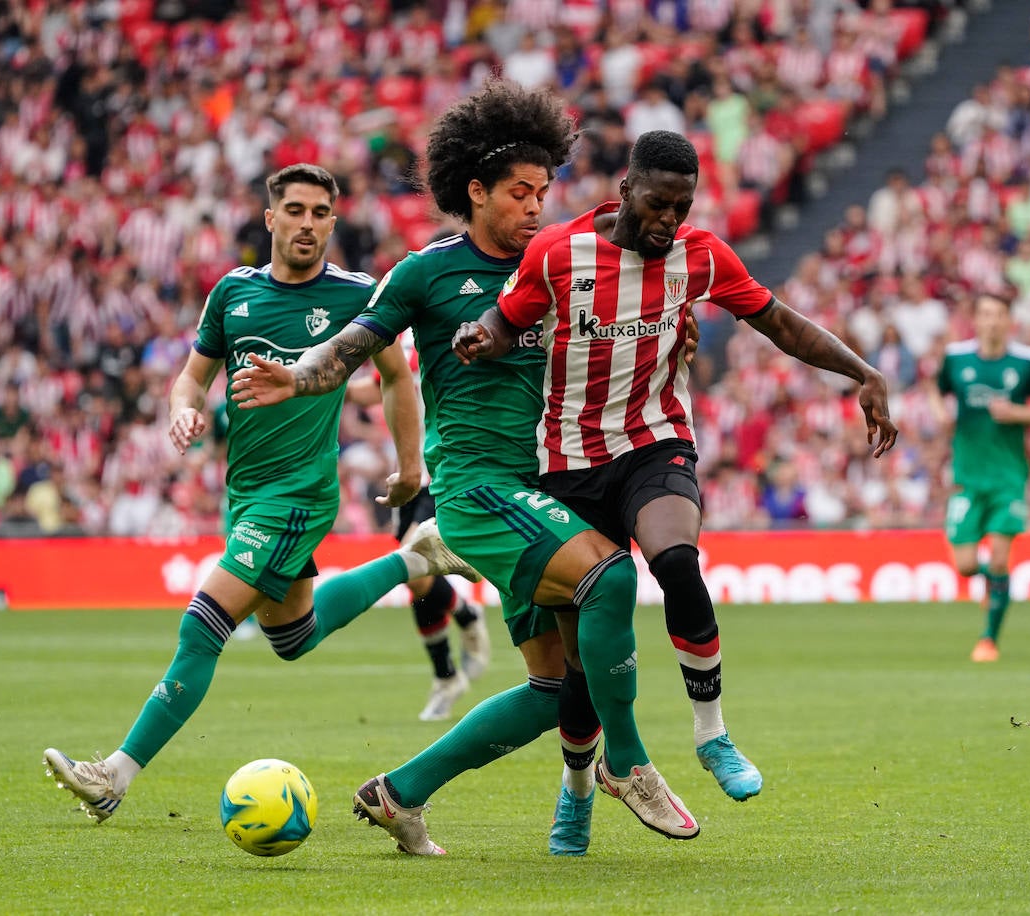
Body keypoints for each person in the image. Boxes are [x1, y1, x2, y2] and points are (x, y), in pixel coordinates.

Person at [229, 82, 697, 857]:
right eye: (520, 192)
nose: (536, 207)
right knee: (611, 578)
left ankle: (400, 792)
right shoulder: (427, 273)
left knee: (556, 687)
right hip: (485, 489)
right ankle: (630, 762)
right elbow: (350, 345)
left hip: (553, 490)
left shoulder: (563, 265)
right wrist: (299, 375)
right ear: (474, 191)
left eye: (544, 192)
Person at [452, 130, 899, 806]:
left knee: (676, 559)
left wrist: (860, 371)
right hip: (569, 461)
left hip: (656, 440)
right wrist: (483, 335)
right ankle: (576, 792)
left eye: (681, 207)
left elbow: (778, 322)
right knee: (583, 670)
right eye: (658, 205)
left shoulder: (700, 254)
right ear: (627, 190)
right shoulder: (559, 251)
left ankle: (712, 733)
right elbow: (508, 318)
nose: (669, 221)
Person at [42, 163, 480, 822]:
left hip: (300, 493)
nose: (307, 224)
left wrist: (411, 467)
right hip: (244, 494)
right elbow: (191, 379)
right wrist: (181, 410)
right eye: (295, 210)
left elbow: (397, 377)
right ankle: (416, 557)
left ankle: (114, 775)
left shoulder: (358, 295)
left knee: (203, 626)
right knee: (292, 635)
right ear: (270, 219)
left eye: (320, 213)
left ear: (333, 222)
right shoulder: (232, 293)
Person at [347, 367, 492, 722]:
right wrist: (330, 381)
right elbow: (375, 388)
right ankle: (449, 667)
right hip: (405, 476)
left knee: (413, 568)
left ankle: (452, 659)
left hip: (439, 471)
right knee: (418, 581)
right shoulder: (399, 339)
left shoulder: (442, 328)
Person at [926, 290, 1030, 662]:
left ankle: (989, 640)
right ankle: (994, 582)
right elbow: (935, 391)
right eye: (984, 314)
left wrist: (1019, 415)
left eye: (998, 314)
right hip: (967, 476)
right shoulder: (956, 358)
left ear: (1008, 321)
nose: (991, 321)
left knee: (1001, 559)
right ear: (977, 320)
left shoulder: (1027, 361)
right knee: (966, 565)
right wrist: (940, 412)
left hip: (1008, 477)